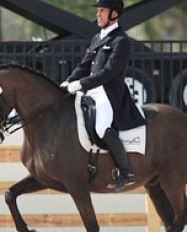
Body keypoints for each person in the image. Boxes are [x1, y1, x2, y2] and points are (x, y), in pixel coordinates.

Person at [60, 0, 146, 191]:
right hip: (92, 90)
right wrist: (68, 81)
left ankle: (126, 172)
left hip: (108, 93)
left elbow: (110, 72)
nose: (98, 14)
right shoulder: (97, 38)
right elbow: (84, 66)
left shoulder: (121, 40)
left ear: (114, 14)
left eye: (102, 11)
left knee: (101, 127)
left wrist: (82, 84)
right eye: (98, 10)